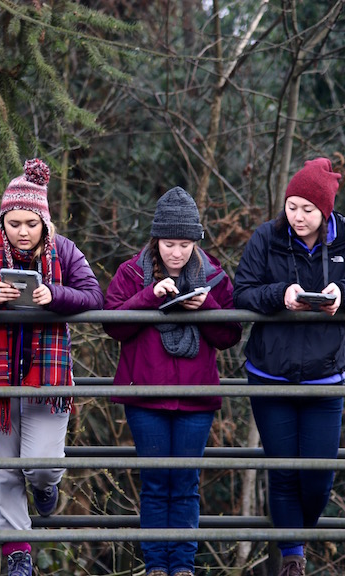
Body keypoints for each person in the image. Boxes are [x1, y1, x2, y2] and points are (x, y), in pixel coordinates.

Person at [0, 158, 103, 576]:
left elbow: (93, 295)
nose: (22, 231)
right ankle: (18, 552)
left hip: (45, 377)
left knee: (41, 463)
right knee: (2, 469)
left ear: (44, 221)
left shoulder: (63, 250)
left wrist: (57, 296)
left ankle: (46, 486)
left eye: (30, 223)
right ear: (3, 220)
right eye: (13, 223)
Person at [232, 158, 345, 576]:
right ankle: (293, 557)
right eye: (292, 206)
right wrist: (280, 295)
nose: (298, 217)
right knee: (283, 472)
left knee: (318, 476)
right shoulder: (267, 237)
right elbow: (242, 292)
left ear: (326, 210)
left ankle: (296, 536)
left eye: (307, 209)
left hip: (324, 375)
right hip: (270, 374)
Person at [103, 187, 242, 576]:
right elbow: (111, 324)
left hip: (196, 400)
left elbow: (231, 335)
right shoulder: (132, 273)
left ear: (196, 242)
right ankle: (155, 567)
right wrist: (149, 296)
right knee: (154, 485)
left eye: (184, 244)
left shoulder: (213, 276)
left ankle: (182, 567)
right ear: (156, 240)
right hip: (145, 398)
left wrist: (207, 306)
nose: (176, 253)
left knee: (184, 484)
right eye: (168, 244)